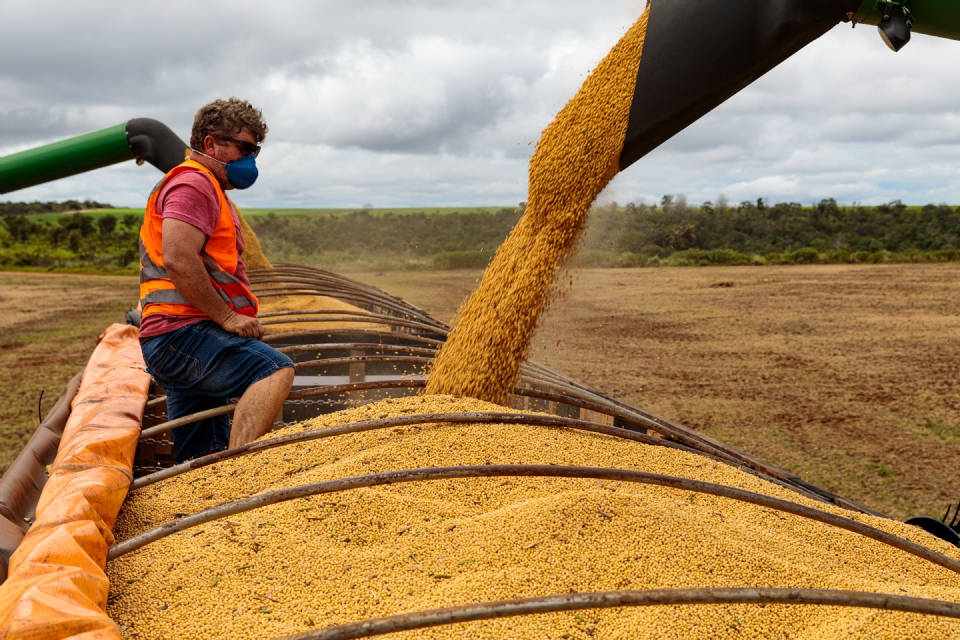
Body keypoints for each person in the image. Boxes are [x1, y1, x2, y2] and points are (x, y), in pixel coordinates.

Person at [138, 97, 294, 462]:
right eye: (244, 148)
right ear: (210, 144)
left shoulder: (207, 189)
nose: (250, 160)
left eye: (255, 150)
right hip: (182, 333)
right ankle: (235, 476)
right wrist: (227, 317)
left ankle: (201, 502)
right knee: (273, 370)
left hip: (177, 337)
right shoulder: (194, 184)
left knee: (201, 456)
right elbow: (178, 258)